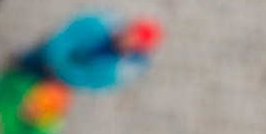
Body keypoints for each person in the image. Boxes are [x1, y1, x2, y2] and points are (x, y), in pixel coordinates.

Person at [18, 12, 161, 90]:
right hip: (47, 54)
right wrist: (54, 56)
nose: (126, 40)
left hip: (58, 77)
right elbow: (69, 34)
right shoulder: (100, 23)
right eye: (130, 33)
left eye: (133, 41)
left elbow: (89, 79)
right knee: (24, 63)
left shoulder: (120, 69)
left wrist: (59, 71)